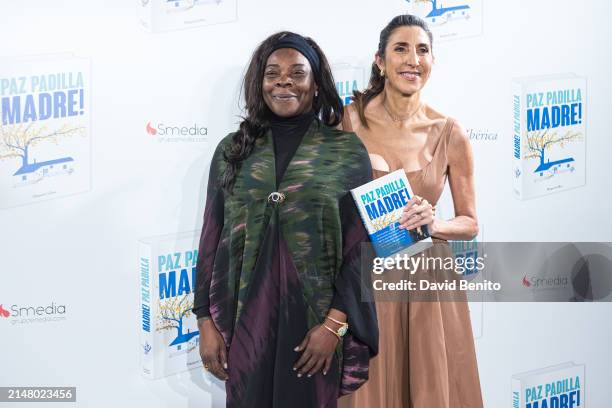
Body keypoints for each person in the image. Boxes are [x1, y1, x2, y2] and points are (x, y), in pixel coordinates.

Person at [192, 31, 378, 408]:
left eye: (297, 72)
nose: (283, 81)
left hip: (313, 323)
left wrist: (333, 326)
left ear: (316, 84)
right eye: (272, 72)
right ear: (259, 83)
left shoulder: (345, 151)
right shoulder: (233, 150)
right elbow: (211, 237)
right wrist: (204, 321)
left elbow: (360, 249)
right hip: (246, 320)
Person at [337, 15, 484, 408]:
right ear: (380, 61)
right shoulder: (347, 122)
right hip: (366, 276)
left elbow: (470, 222)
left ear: (432, 61)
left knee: (430, 388)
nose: (412, 59)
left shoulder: (450, 132)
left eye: (422, 50)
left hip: (429, 283)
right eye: (400, 48)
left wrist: (435, 223)